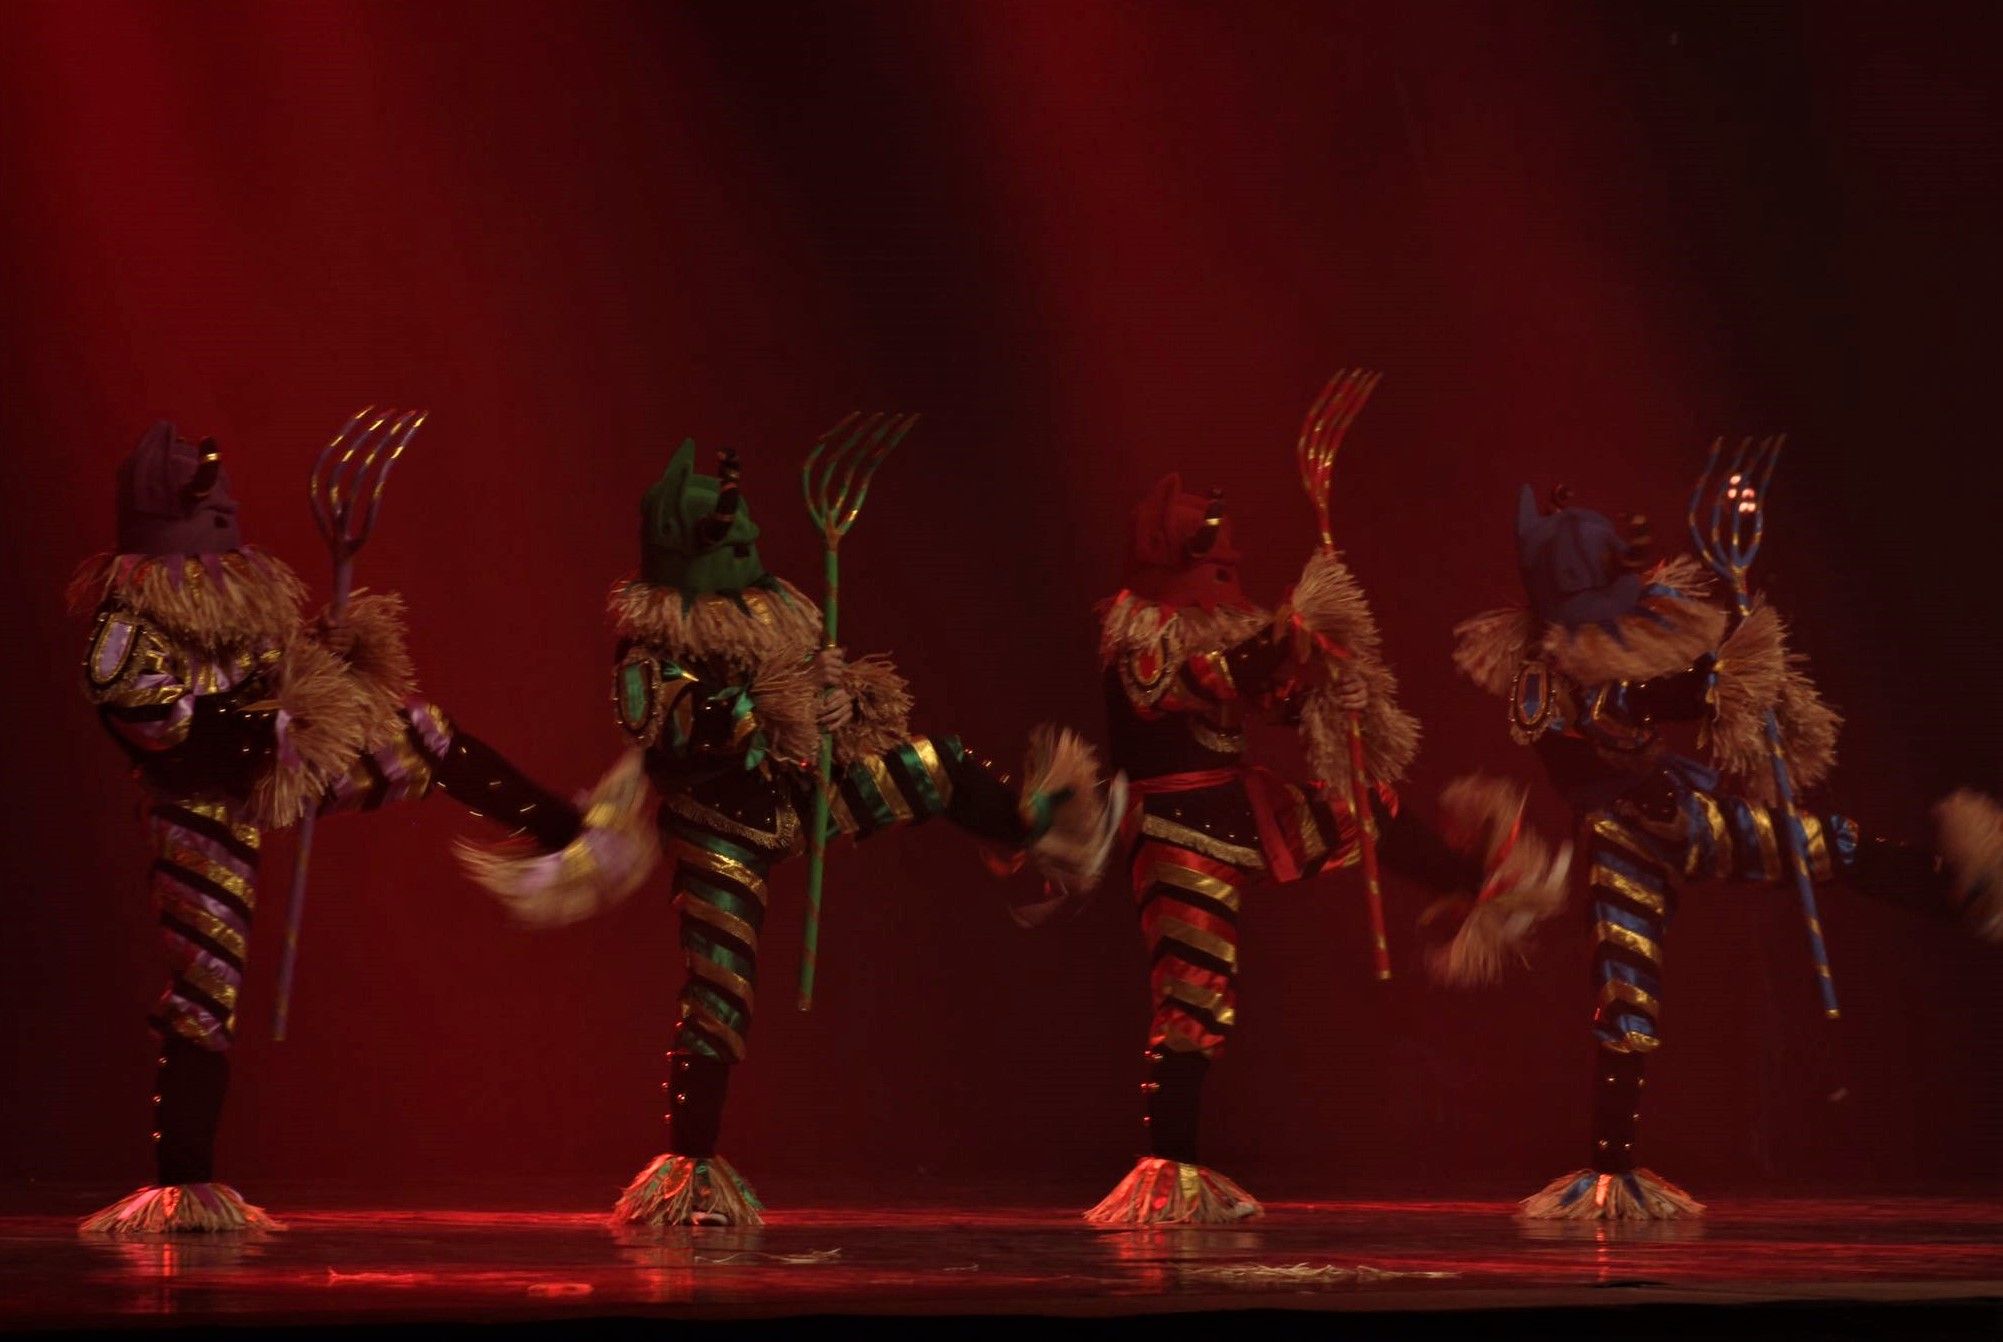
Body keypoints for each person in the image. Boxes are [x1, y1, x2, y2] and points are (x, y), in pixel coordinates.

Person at [461, 440, 1124, 1228]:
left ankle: (1028, 834)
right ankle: (689, 1167)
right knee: (719, 995)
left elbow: (815, 692)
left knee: (937, 766)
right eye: (729, 545)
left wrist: (842, 702)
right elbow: (665, 720)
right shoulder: (654, 644)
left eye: (750, 541)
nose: (748, 554)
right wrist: (762, 711)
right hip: (720, 828)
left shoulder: (778, 616)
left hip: (806, 796)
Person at [72, 421, 650, 1234]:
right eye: (213, 498)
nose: (228, 510)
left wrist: (326, 663)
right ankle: (184, 1190)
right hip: (197, 805)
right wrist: (268, 720)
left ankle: (569, 834)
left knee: (419, 730)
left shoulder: (239, 589)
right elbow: (154, 722)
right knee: (206, 989)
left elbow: (275, 670)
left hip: (283, 768)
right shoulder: (129, 623)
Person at [1445, 483, 2003, 1219]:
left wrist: (1732, 664)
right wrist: (1678, 700)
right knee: (1625, 988)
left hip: (1685, 820)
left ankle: (1956, 889)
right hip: (1619, 836)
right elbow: (1585, 747)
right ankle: (1613, 1171)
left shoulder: (1615, 667)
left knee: (1816, 844)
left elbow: (1684, 692)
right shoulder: (1543, 684)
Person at [1085, 473, 1570, 1226]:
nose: (1226, 578)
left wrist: (1325, 678)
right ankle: (1167, 1168)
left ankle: (1482, 879)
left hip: (1237, 805)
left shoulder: (1218, 625)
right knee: (1194, 998)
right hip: (1174, 827)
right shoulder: (1138, 626)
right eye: (1213, 561)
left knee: (1362, 811)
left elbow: (1269, 694)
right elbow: (1186, 685)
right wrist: (1289, 637)